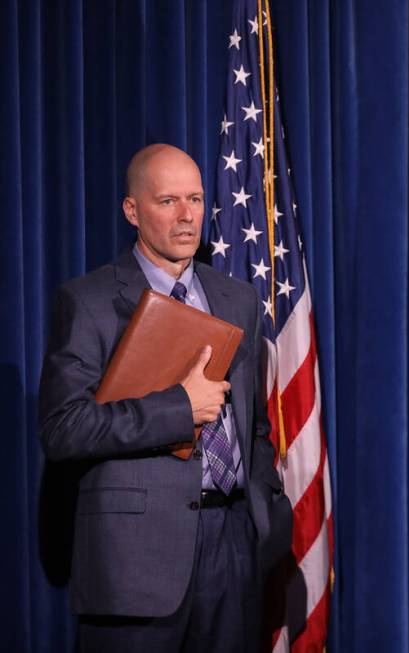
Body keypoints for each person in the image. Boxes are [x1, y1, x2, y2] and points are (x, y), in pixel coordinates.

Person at [38, 144, 293, 652]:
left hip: (234, 553)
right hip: (135, 565)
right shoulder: (87, 301)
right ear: (133, 210)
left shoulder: (237, 299)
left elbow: (254, 425)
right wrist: (180, 408)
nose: (186, 216)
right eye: (168, 201)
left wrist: (264, 515)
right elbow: (63, 428)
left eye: (195, 199)